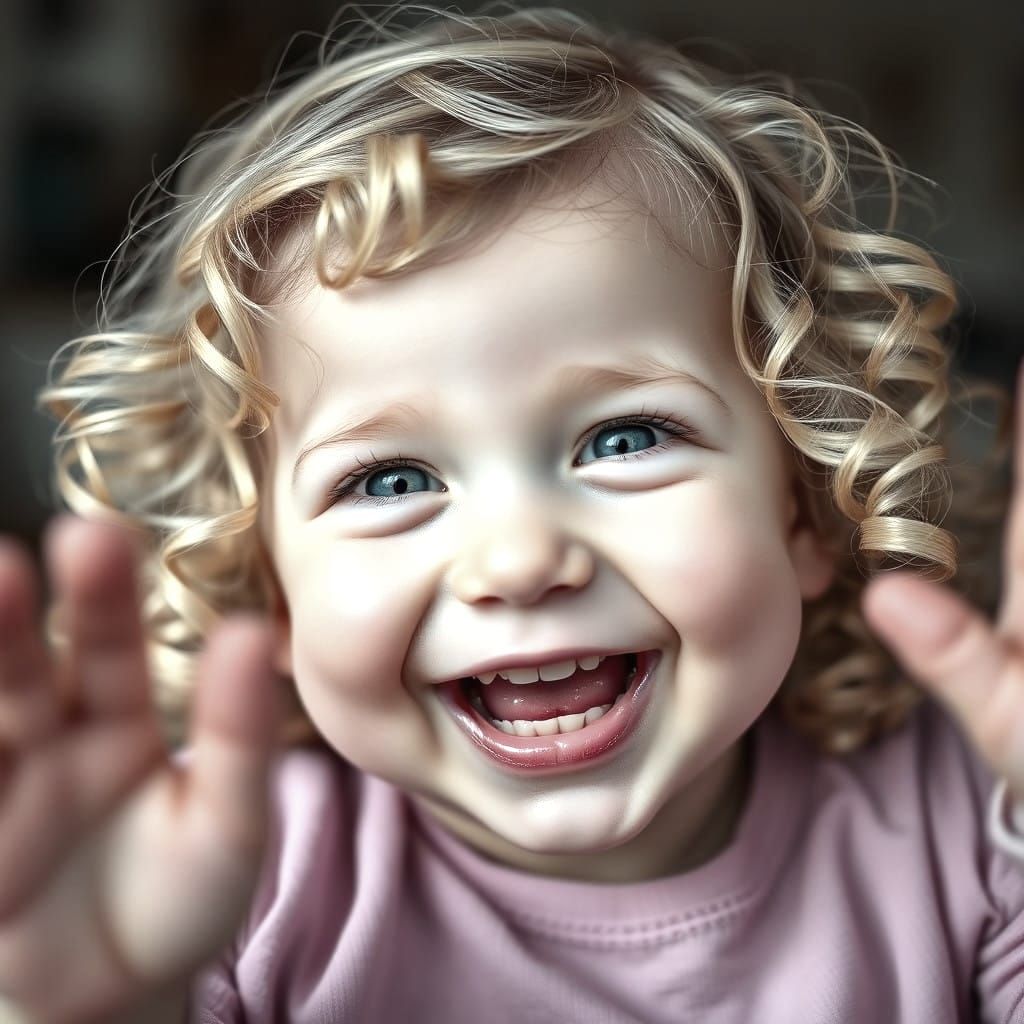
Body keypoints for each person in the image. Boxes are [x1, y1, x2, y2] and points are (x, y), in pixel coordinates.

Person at [1, 4, 1020, 1021]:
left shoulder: (969, 818)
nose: (521, 558)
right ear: (264, 582)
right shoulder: (215, 886)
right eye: (391, 480)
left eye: (622, 440)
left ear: (800, 500)